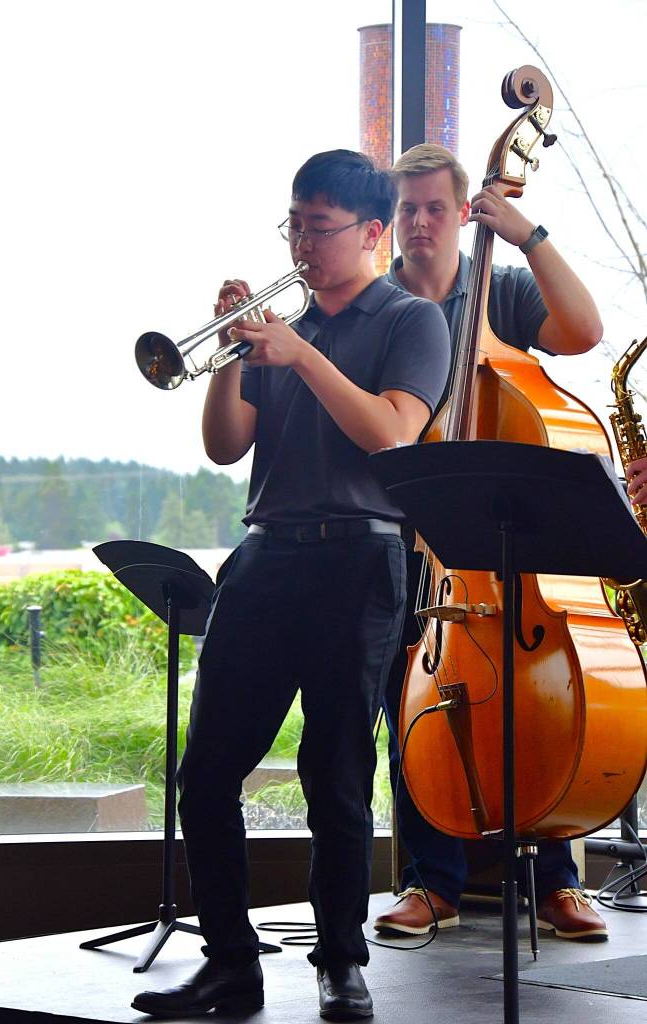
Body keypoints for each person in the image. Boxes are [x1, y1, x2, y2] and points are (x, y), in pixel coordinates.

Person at [132, 149, 451, 1021]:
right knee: (205, 774)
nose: (301, 243)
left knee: (335, 777)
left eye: (318, 227)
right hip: (266, 554)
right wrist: (233, 350)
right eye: (293, 225)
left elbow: (390, 432)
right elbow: (224, 444)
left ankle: (340, 964)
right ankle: (229, 963)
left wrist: (298, 352)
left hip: (361, 559)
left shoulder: (413, 321)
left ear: (372, 233)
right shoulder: (281, 332)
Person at [374, 143, 609, 943]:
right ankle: (428, 881)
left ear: (461, 211)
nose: (420, 222)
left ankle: (556, 879)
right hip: (414, 553)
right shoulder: (379, 308)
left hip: (506, 560)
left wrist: (526, 234)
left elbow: (582, 330)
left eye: (434, 208)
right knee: (412, 705)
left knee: (538, 704)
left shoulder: (498, 291)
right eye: (407, 209)